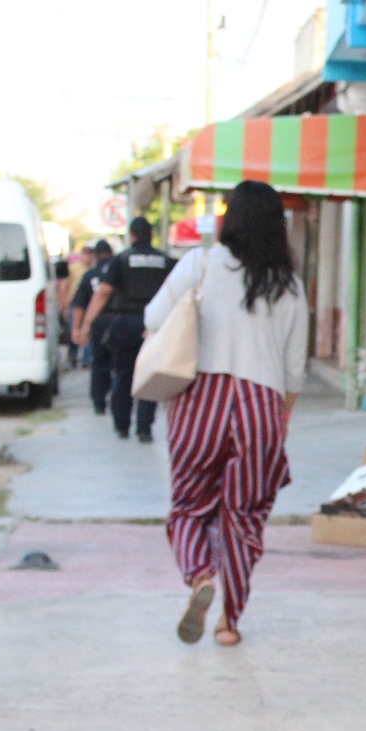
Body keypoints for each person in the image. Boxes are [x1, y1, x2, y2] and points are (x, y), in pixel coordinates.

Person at [143, 180, 306, 647]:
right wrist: (279, 424)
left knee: (190, 506)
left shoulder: (199, 264)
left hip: (201, 400)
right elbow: (294, 372)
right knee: (245, 516)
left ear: (229, 218)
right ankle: (228, 622)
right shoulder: (290, 286)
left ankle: (200, 576)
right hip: (262, 406)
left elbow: (154, 320)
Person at [78, 218, 174, 441]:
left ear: (131, 236)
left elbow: (103, 293)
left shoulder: (122, 260)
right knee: (150, 376)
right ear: (151, 235)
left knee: (123, 374)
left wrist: (87, 323)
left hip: (125, 323)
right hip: (155, 324)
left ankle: (122, 424)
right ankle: (144, 428)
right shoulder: (165, 260)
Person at [69, 239, 113, 412]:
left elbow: (79, 305)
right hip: (117, 320)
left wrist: (77, 328)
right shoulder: (119, 272)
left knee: (99, 363)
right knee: (121, 364)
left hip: (97, 323)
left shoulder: (90, 275)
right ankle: (120, 398)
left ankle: (99, 401)